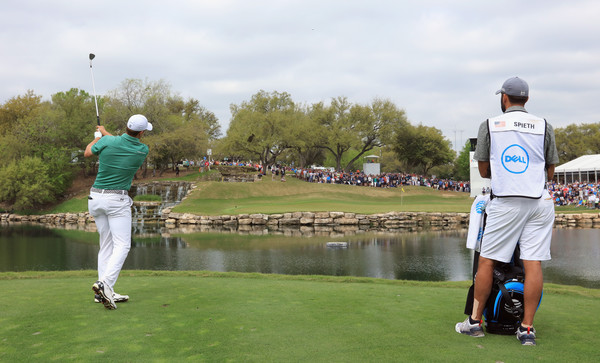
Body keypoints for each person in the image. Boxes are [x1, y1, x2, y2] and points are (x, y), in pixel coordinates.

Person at [455, 77, 559, 345]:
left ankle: (474, 323)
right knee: (533, 263)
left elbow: (483, 169)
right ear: (527, 99)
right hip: (540, 200)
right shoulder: (544, 125)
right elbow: (550, 168)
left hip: (507, 200)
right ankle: (526, 330)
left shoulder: (489, 124)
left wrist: (503, 174)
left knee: (487, 260)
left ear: (504, 98)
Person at [84, 114, 152, 310]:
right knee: (122, 245)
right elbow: (122, 143)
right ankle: (105, 284)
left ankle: (104, 292)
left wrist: (98, 136)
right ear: (141, 132)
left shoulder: (108, 141)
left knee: (106, 244)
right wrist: (104, 134)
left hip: (95, 198)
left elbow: (88, 152)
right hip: (117, 200)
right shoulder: (142, 149)